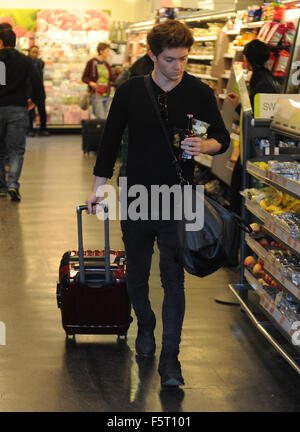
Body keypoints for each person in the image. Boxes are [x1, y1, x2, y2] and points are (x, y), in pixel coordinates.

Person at [86, 20, 230, 387]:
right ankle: (146, 325)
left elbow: (221, 138)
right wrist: (99, 188)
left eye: (183, 59)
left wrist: (205, 146)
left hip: (177, 197)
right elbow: (110, 141)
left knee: (173, 279)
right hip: (136, 194)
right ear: (152, 55)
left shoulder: (198, 91)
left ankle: (171, 359)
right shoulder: (131, 91)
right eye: (170, 59)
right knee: (136, 274)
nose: (177, 67)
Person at [0, 28, 43, 201]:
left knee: (0, 151)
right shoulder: (24, 60)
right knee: (16, 150)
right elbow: (37, 82)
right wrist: (34, 101)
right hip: (18, 109)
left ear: (1, 42)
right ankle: (13, 185)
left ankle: (1, 187)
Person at [226, 39, 281, 114]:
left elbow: (252, 117)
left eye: (244, 58)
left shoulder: (261, 83)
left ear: (249, 59)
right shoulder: (267, 76)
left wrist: (237, 105)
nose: (244, 61)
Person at [82, 42, 115, 120]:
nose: (109, 53)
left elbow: (112, 78)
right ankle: (100, 132)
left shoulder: (106, 64)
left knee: (106, 117)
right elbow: (84, 77)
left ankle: (102, 132)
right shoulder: (92, 62)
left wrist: (122, 71)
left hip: (107, 94)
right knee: (101, 118)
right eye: (107, 51)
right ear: (101, 51)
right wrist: (91, 83)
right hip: (96, 94)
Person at [27, 45, 49, 137]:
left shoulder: (40, 63)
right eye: (33, 52)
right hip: (30, 90)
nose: (35, 54)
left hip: (40, 90)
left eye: (36, 52)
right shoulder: (26, 63)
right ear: (29, 52)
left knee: (42, 111)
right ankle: (30, 129)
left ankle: (43, 129)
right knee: (30, 111)